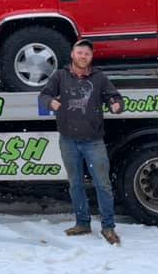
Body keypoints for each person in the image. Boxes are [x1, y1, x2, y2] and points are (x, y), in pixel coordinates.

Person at [39, 38, 124, 245]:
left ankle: (108, 227)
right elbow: (43, 95)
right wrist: (51, 102)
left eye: (87, 53)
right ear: (72, 54)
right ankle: (82, 223)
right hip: (68, 141)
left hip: (93, 142)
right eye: (79, 52)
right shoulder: (60, 76)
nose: (83, 56)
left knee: (102, 185)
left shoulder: (99, 78)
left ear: (91, 57)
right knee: (75, 184)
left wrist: (116, 105)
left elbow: (115, 97)